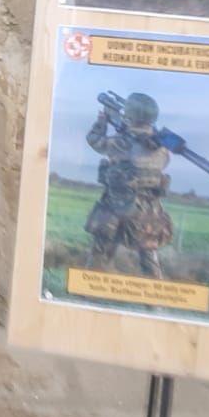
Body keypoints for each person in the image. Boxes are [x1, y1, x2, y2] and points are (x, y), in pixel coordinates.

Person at [83, 91, 174, 280]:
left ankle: (87, 290)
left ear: (130, 116)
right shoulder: (161, 147)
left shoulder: (122, 142)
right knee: (149, 256)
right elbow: (162, 163)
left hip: (116, 207)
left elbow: (94, 140)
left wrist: (101, 122)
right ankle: (155, 294)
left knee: (101, 252)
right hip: (149, 210)